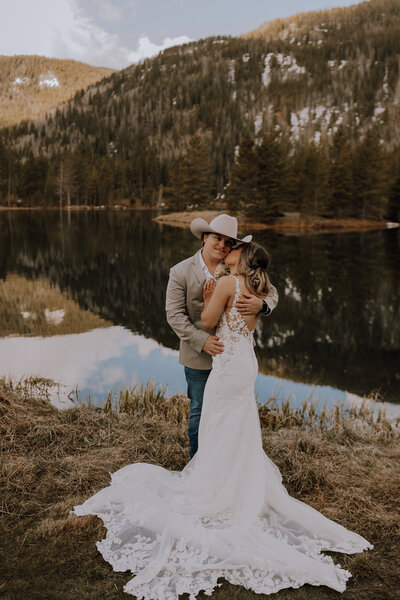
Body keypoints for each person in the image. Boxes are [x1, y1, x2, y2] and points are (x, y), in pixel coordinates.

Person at [73, 240, 372, 599]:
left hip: (227, 366)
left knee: (217, 424)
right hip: (244, 364)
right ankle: (230, 480)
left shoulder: (233, 283)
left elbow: (208, 320)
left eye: (234, 248)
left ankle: (215, 487)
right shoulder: (250, 282)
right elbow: (199, 317)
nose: (228, 250)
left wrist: (214, 292)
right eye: (224, 244)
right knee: (238, 427)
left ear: (242, 258)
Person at [165, 213, 278, 458]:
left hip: (233, 357)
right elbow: (174, 315)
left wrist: (263, 306)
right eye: (218, 239)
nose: (223, 246)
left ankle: (226, 464)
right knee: (200, 411)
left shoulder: (239, 266)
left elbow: (272, 291)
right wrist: (202, 341)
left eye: (229, 242)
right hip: (200, 355)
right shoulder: (181, 271)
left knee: (230, 413)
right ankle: (198, 463)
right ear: (205, 238)